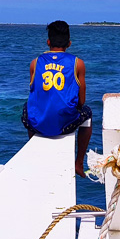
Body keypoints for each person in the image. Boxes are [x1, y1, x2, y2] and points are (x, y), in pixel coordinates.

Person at [22, 20, 92, 177]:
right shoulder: (77, 64)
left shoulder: (35, 63)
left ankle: (34, 153)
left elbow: (35, 94)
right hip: (63, 125)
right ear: (69, 43)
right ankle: (79, 163)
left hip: (38, 125)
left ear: (48, 42)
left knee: (28, 108)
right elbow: (82, 100)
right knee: (88, 112)